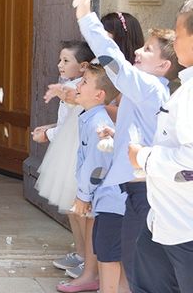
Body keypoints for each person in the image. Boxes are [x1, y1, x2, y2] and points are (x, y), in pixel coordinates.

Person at [74, 0, 181, 290]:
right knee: (134, 271)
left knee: (138, 271)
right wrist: (118, 133)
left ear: (163, 65)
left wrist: (85, 15)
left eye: (147, 49)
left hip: (143, 192)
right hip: (135, 191)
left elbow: (113, 61)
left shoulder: (147, 87)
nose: (137, 50)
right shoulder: (148, 91)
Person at [129, 0, 193, 293]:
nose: (175, 41)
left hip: (186, 227)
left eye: (179, 36)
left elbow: (189, 163)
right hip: (162, 221)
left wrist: (142, 156)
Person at [57, 64, 123, 293]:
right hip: (103, 198)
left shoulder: (98, 123)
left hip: (110, 199)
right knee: (104, 249)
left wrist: (83, 196)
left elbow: (97, 166)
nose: (78, 85)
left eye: (84, 82)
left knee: (108, 252)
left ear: (99, 94)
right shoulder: (89, 116)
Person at [31, 41, 94, 277]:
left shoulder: (80, 89)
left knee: (79, 210)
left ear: (83, 66)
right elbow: (66, 122)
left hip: (75, 150)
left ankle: (89, 260)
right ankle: (80, 254)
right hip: (66, 149)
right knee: (71, 208)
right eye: (60, 60)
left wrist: (47, 134)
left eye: (66, 60)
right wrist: (50, 127)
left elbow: (75, 124)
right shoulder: (70, 85)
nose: (60, 64)